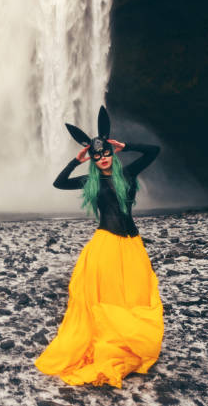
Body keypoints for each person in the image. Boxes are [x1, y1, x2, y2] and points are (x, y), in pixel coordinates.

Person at [34, 107, 164, 388]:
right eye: (97, 156)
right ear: (92, 159)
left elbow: (153, 151)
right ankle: (111, 341)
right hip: (106, 245)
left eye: (105, 154)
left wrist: (125, 146)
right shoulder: (89, 180)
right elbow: (59, 183)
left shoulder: (128, 173)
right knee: (109, 296)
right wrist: (75, 160)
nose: (102, 158)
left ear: (111, 154)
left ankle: (129, 339)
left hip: (133, 245)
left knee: (135, 293)